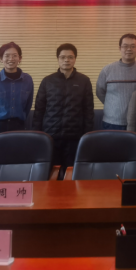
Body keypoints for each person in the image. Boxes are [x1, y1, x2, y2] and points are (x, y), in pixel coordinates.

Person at [33, 44, 94, 179]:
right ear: (58, 59)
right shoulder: (48, 81)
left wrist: (87, 135)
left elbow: (88, 111)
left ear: (75, 59)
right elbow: (39, 110)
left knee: (71, 174)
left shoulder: (84, 81)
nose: (66, 60)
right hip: (51, 135)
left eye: (70, 57)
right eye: (63, 57)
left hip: (74, 136)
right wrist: (37, 134)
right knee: (50, 173)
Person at [96, 34, 136, 131]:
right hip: (111, 122)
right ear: (120, 48)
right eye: (125, 46)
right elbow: (100, 92)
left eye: (133, 46)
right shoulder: (107, 70)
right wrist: (113, 105)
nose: (129, 49)